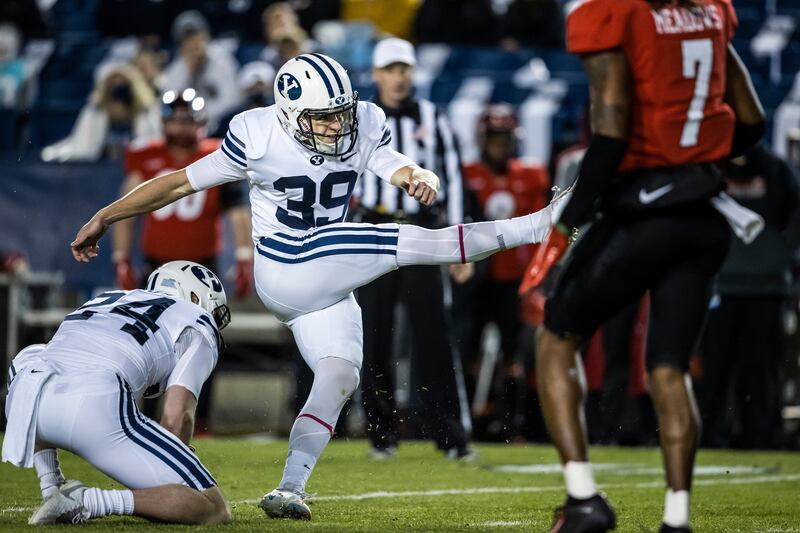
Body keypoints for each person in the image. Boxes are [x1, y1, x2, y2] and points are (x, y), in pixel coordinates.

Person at [70, 52, 564, 521]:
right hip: (286, 262)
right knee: (412, 243)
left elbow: (382, 155)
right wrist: (106, 216)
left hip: (324, 276)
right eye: (322, 117)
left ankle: (290, 487)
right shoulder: (258, 136)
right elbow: (177, 183)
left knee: (338, 376)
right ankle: (540, 226)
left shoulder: (359, 124)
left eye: (340, 114)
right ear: (287, 113)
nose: (335, 126)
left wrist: (411, 173)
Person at [517, 0, 765, 532]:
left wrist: (564, 227)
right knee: (668, 369)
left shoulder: (613, 12)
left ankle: (583, 501)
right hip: (703, 215)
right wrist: (697, 156)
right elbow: (751, 121)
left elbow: (609, 133)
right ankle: (677, 520)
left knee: (556, 338)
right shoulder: (713, 11)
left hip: (642, 211)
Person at [1, 261, 231, 525]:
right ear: (195, 296)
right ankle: (87, 501)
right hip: (94, 402)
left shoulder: (107, 299)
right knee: (212, 505)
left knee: (35, 358)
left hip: (25, 398)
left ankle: (51, 487)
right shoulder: (196, 319)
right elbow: (177, 414)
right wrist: (175, 470)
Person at [352, 37, 473, 460]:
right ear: (377, 74)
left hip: (422, 231)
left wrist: (459, 244)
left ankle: (450, 435)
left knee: (434, 335)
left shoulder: (433, 117)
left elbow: (453, 179)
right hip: (373, 228)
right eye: (391, 69)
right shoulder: (360, 120)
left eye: (405, 68)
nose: (399, 77)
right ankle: (381, 436)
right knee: (373, 335)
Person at [700, 143, 800, 449]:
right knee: (715, 371)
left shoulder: (776, 169)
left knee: (761, 371)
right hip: (721, 285)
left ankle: (763, 438)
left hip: (766, 286)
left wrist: (784, 260)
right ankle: (712, 437)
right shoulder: (711, 167)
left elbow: (795, 218)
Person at [460, 103, 550, 439]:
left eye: (505, 138)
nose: (501, 145)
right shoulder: (466, 174)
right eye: (495, 138)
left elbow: (542, 227)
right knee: (467, 349)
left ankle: (512, 422)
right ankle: (467, 422)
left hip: (515, 277)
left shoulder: (530, 175)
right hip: (476, 278)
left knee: (515, 354)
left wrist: (540, 274)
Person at [41, 62, 161, 162]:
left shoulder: (146, 110)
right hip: (101, 167)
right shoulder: (94, 111)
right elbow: (84, 146)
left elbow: (154, 141)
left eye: (123, 84)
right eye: (114, 84)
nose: (118, 88)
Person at [163, 11, 240, 132]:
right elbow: (170, 104)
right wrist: (189, 74)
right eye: (187, 39)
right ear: (180, 46)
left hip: (220, 124)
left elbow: (233, 100)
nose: (194, 43)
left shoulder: (222, 60)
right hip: (190, 127)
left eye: (197, 37)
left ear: (206, 37)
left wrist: (202, 115)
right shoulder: (177, 69)